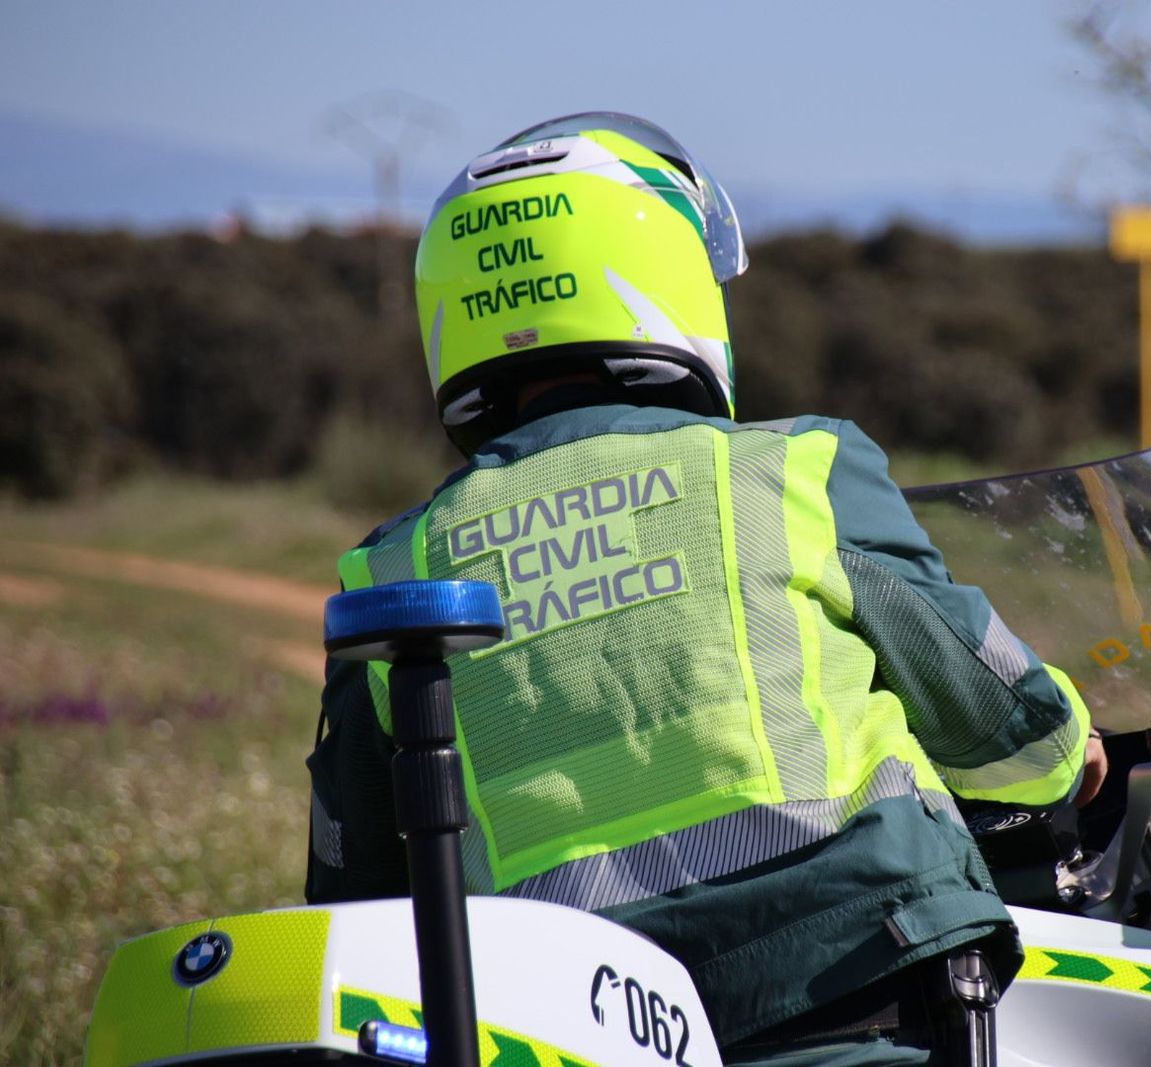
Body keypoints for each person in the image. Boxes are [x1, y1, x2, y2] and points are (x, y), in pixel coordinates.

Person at [305, 112, 1106, 1064]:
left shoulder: (394, 570)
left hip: (563, 1028)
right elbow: (1012, 731)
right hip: (853, 986)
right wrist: (1076, 752)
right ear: (662, 272)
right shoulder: (791, 472)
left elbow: (355, 894)